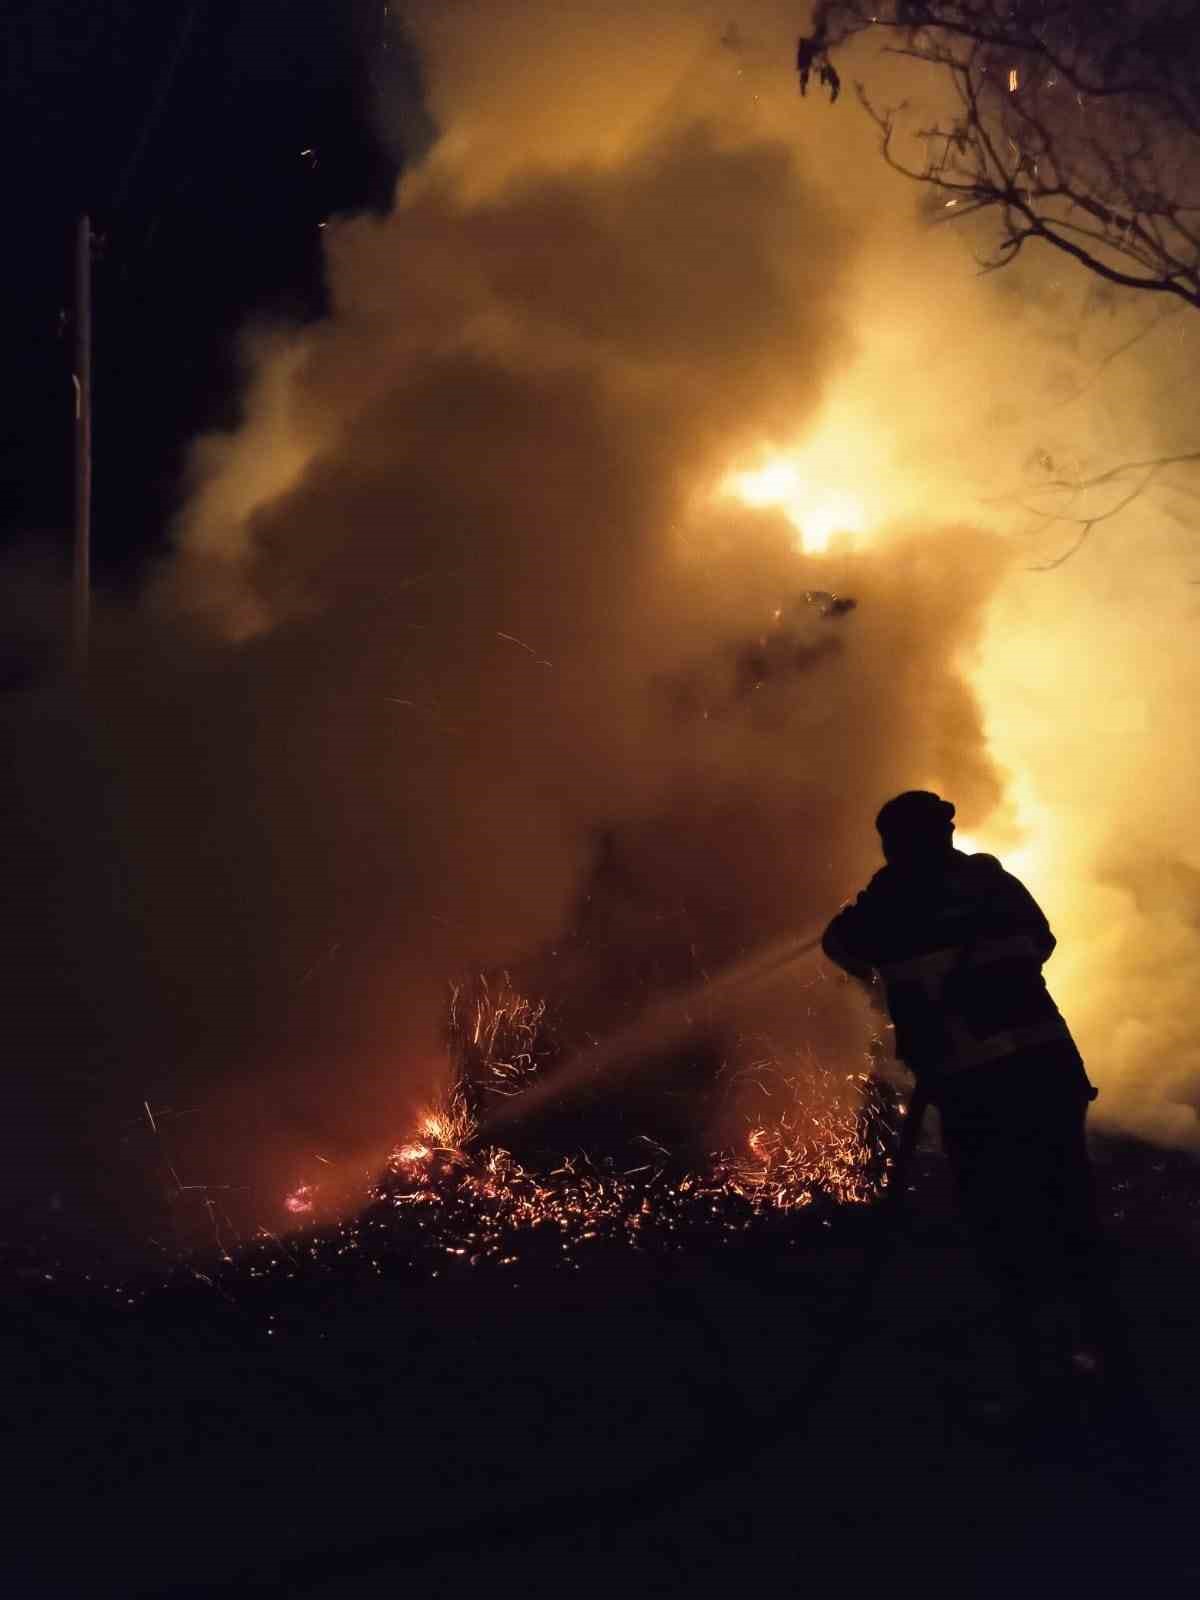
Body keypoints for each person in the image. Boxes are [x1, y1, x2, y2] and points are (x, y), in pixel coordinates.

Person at [822, 790, 1128, 1426]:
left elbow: (842, 947)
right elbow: (1040, 941)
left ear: (893, 842)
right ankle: (1114, 1366)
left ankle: (1041, 1383)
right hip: (1048, 1072)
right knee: (1070, 1212)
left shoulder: (892, 900)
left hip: (976, 1087)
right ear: (947, 831)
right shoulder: (991, 881)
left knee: (1001, 1227)